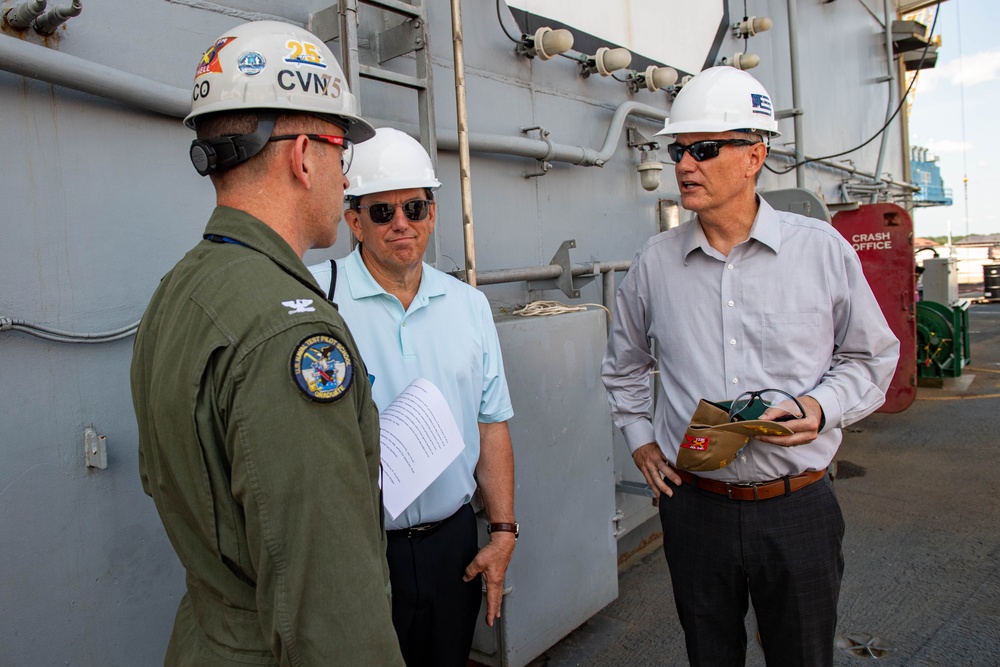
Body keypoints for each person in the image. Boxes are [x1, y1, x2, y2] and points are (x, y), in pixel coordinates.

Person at [601, 66, 900, 667]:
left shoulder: (820, 251)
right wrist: (641, 442)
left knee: (802, 656)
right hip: (695, 507)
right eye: (679, 149)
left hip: (798, 507)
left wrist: (823, 406)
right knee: (710, 655)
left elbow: (870, 356)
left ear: (754, 156)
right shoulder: (656, 264)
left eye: (704, 149)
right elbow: (623, 366)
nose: (685, 164)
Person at [130, 21, 404, 666]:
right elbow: (331, 606)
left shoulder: (182, 290)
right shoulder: (291, 331)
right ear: (303, 155)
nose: (346, 179)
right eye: (344, 152)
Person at [309, 127, 517, 667]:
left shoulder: (469, 307)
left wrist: (501, 531)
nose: (402, 223)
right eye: (382, 212)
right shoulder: (316, 298)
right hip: (360, 551)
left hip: (453, 544)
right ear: (353, 221)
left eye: (416, 207)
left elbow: (491, 423)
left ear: (431, 212)